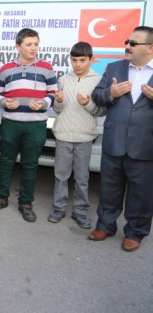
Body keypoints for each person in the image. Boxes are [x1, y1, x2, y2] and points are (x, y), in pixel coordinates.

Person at [88, 26, 153, 251]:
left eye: (133, 43)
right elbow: (97, 95)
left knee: (141, 194)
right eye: (127, 41)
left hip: (145, 146)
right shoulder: (114, 67)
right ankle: (105, 225)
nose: (127, 46)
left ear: (150, 48)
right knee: (109, 189)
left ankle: (135, 232)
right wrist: (111, 94)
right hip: (114, 142)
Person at [0, 28, 57, 222]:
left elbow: (53, 93)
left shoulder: (46, 67)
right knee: (6, 161)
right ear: (18, 46)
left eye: (36, 44)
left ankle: (26, 202)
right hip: (11, 123)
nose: (34, 48)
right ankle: (1, 197)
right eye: (29, 44)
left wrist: (44, 103)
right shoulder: (6, 68)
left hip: (36, 125)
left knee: (30, 164)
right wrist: (3, 102)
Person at [48, 42, 105, 228]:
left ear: (91, 60)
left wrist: (87, 103)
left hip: (84, 137)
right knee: (60, 176)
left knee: (82, 178)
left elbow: (100, 112)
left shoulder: (98, 81)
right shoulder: (64, 79)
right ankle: (59, 208)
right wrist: (59, 101)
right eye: (74, 60)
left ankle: (80, 212)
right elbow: (58, 109)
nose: (78, 64)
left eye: (82, 60)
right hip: (63, 135)